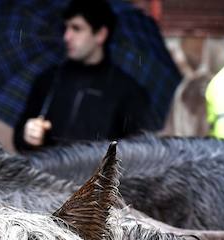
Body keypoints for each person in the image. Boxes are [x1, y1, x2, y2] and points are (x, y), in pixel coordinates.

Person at [13, 0, 156, 152]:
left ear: (100, 34)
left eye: (76, 28)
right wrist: (27, 136)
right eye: (65, 27)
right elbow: (19, 138)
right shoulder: (49, 80)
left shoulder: (127, 92)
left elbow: (139, 151)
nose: (66, 36)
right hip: (47, 173)